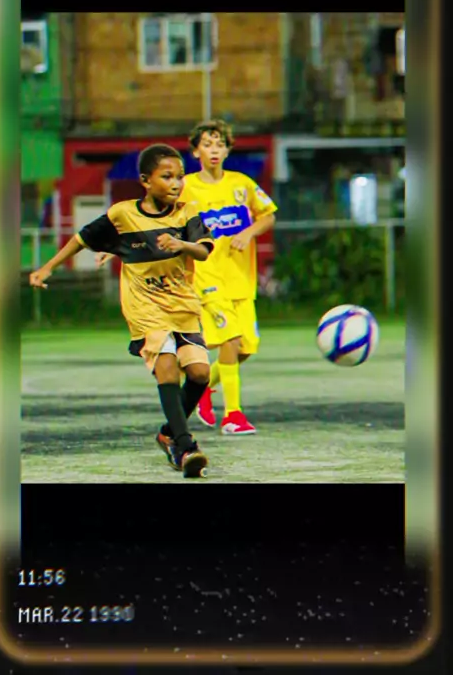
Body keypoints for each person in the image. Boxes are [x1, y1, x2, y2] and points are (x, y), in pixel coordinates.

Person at [29, 144, 215, 479]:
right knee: (167, 368)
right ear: (145, 180)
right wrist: (47, 267)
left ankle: (168, 433)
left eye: (180, 177)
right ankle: (185, 446)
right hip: (145, 308)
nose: (176, 183)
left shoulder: (188, 212)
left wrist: (181, 244)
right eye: (167, 176)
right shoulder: (122, 214)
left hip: (182, 306)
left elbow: (203, 251)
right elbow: (82, 239)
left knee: (200, 374)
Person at [180, 120, 277, 435]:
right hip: (207, 278)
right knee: (230, 341)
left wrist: (249, 233)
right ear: (196, 151)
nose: (214, 150)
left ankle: (204, 386)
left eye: (220, 145)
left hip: (241, 279)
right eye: (207, 144)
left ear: (227, 151)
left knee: (245, 349)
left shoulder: (242, 184)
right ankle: (233, 416)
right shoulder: (186, 187)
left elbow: (268, 215)